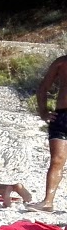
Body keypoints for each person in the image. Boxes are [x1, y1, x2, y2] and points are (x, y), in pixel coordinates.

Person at [30, 54, 67, 212]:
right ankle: (47, 202)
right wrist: (43, 112)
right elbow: (43, 87)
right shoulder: (61, 62)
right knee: (56, 160)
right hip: (61, 116)